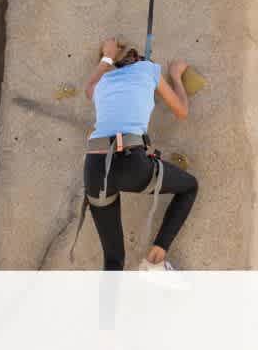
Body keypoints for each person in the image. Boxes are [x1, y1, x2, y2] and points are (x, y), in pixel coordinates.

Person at [82, 37, 198, 270]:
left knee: (113, 260)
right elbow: (182, 110)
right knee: (189, 186)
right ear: (139, 58)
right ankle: (156, 257)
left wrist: (106, 56)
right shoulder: (148, 70)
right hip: (131, 163)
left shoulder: (103, 84)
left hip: (95, 169)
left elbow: (88, 87)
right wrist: (175, 75)